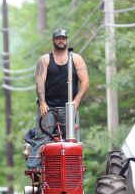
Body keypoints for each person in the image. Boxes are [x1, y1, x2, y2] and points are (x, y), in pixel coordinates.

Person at [27, 28, 89, 169]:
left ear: (66, 40)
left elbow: (85, 82)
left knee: (70, 141)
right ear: (53, 40)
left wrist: (76, 101)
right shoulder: (45, 60)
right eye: (58, 38)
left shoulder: (76, 59)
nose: (61, 40)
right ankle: (36, 170)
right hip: (47, 107)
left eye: (63, 38)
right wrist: (42, 102)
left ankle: (72, 170)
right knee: (43, 138)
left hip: (68, 108)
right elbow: (39, 82)